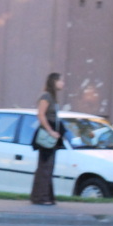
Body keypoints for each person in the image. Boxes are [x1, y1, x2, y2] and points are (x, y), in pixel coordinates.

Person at [31, 71, 65, 205]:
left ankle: (46, 196)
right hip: (47, 136)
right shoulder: (46, 96)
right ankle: (41, 197)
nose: (63, 83)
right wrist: (50, 131)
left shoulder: (52, 97)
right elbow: (40, 115)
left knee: (48, 166)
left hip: (53, 135)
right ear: (54, 81)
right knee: (45, 166)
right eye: (61, 80)